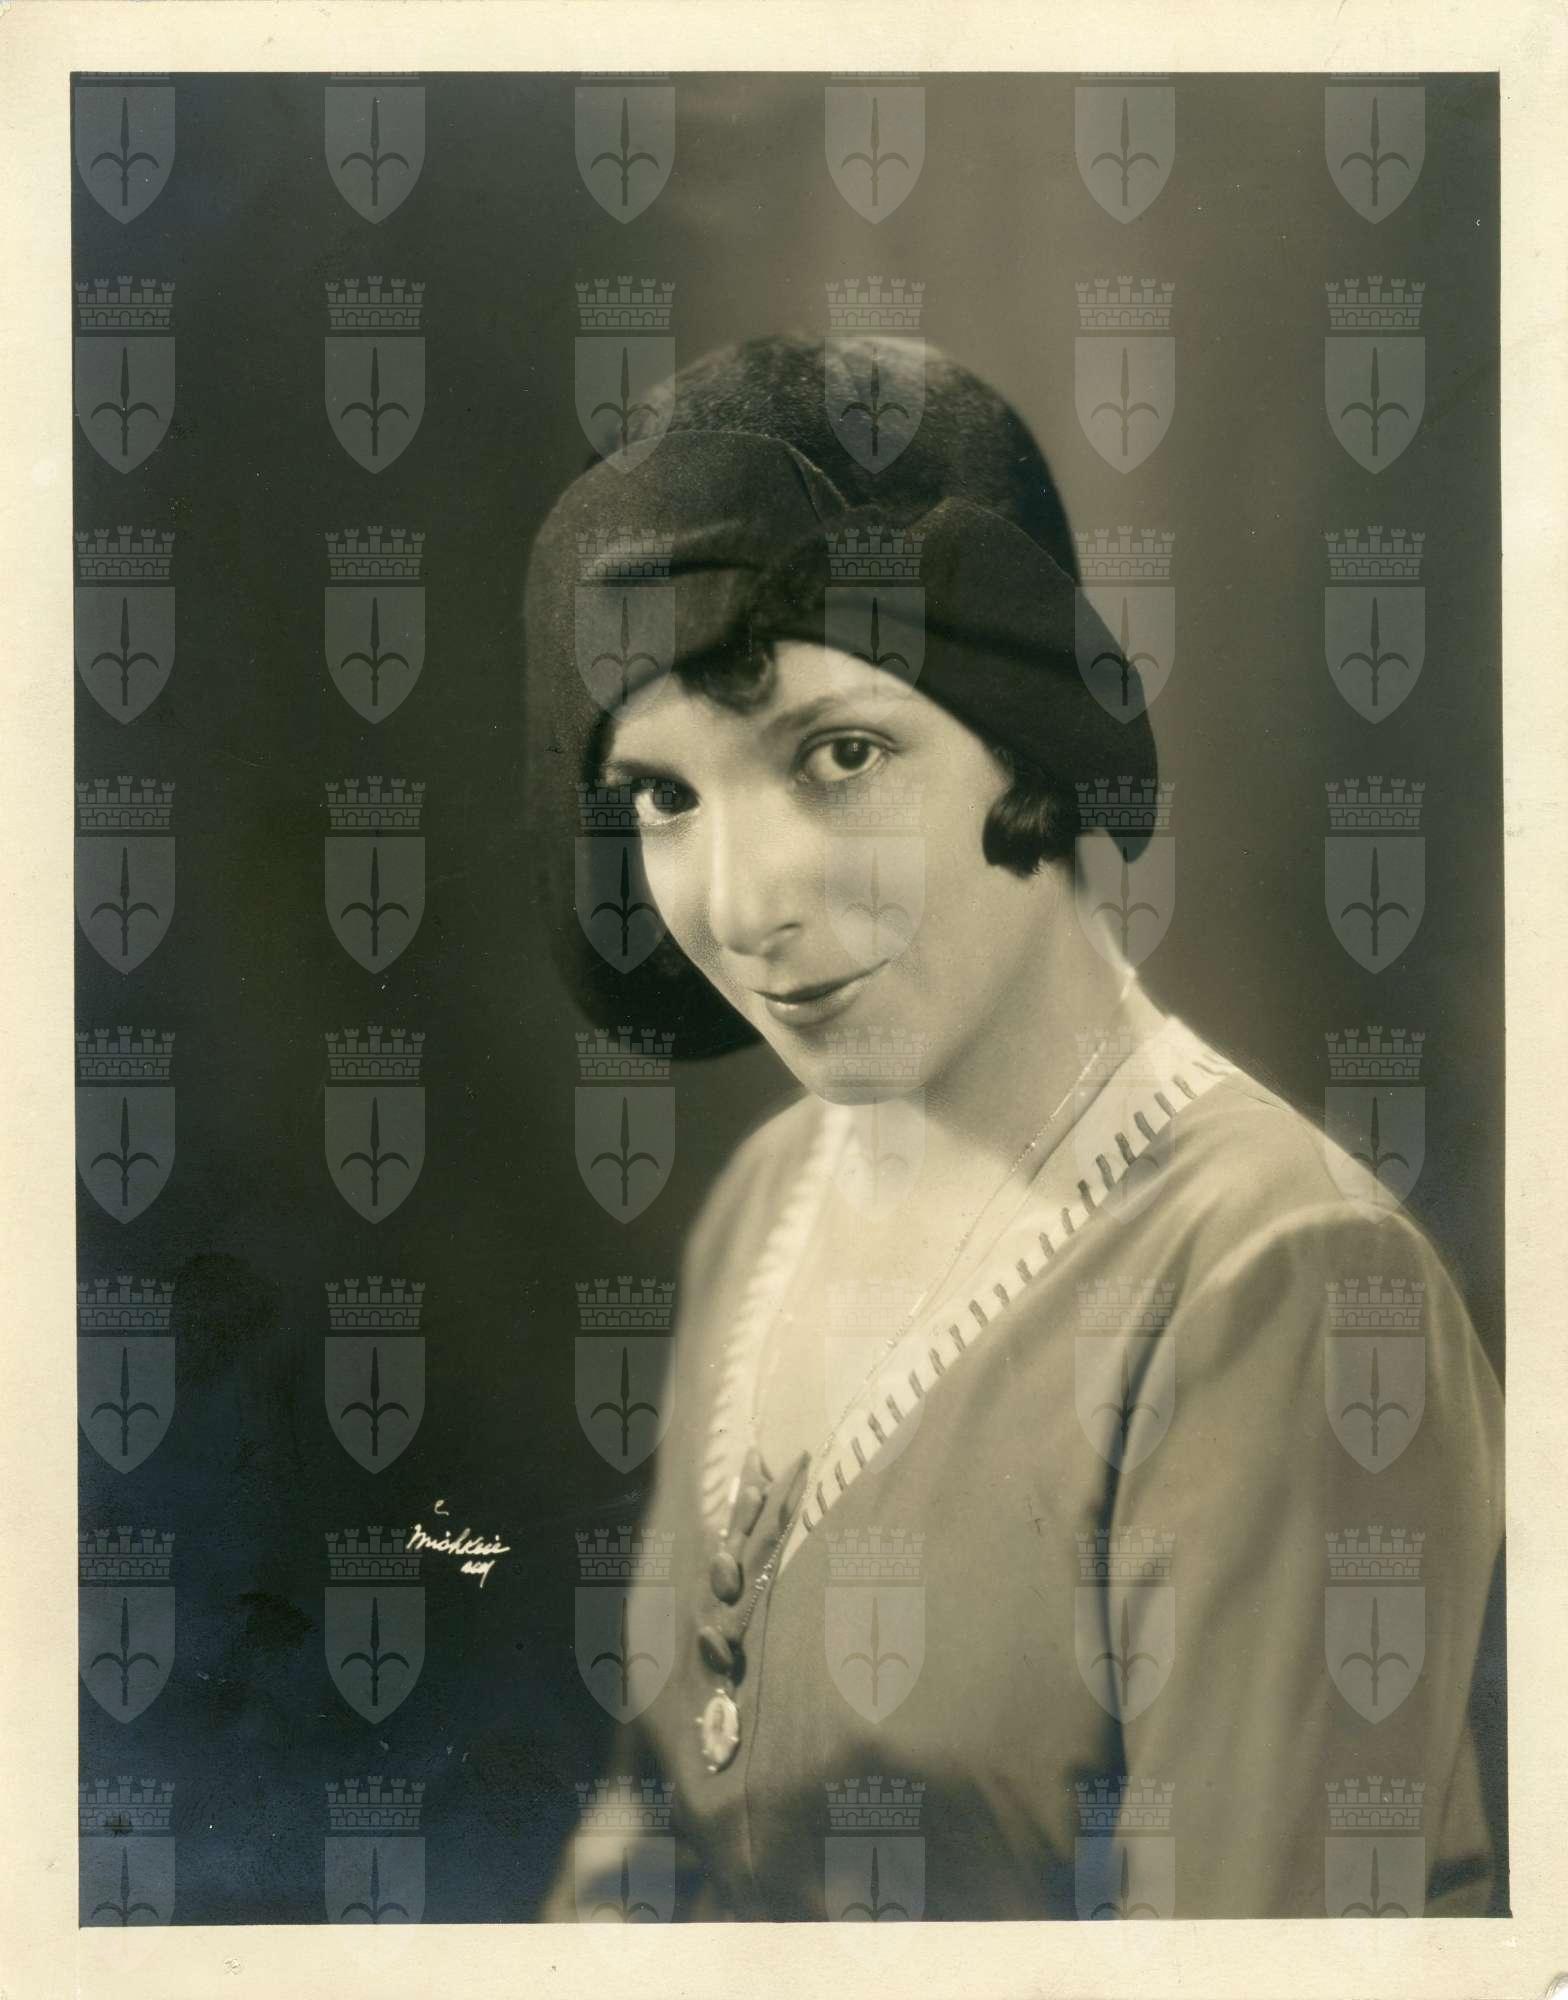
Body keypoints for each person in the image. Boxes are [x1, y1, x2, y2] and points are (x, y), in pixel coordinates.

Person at [521, 337, 1504, 1920]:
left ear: (1027, 730)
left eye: (840, 756)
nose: (745, 905)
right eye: (666, 797)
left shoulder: (1284, 1282)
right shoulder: (768, 1198)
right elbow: (650, 1838)